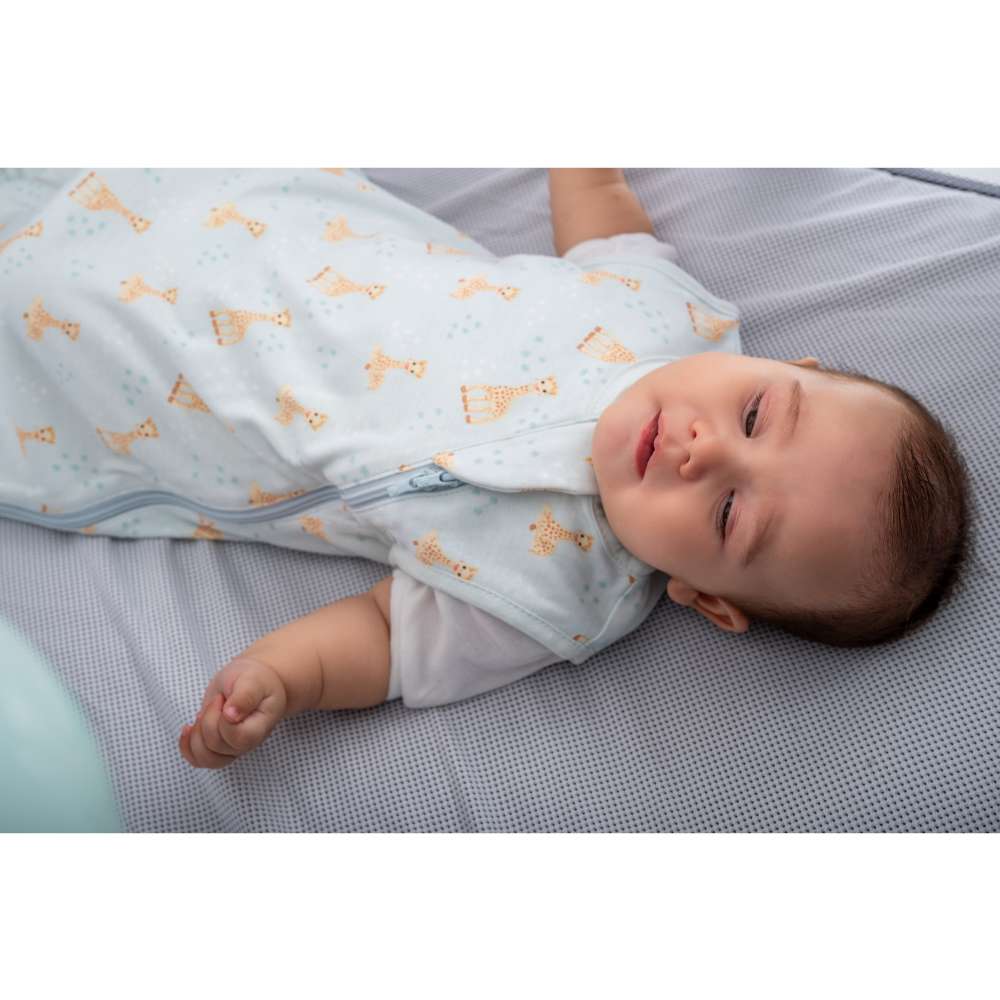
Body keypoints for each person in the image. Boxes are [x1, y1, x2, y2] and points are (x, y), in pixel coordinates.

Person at [0, 168, 968, 769]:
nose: (702, 449)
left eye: (726, 514)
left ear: (707, 598)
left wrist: (282, 678)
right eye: (754, 414)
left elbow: (384, 637)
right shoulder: (668, 312)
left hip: (144, 377)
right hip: (257, 218)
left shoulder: (555, 588)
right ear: (787, 364)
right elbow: (599, 212)